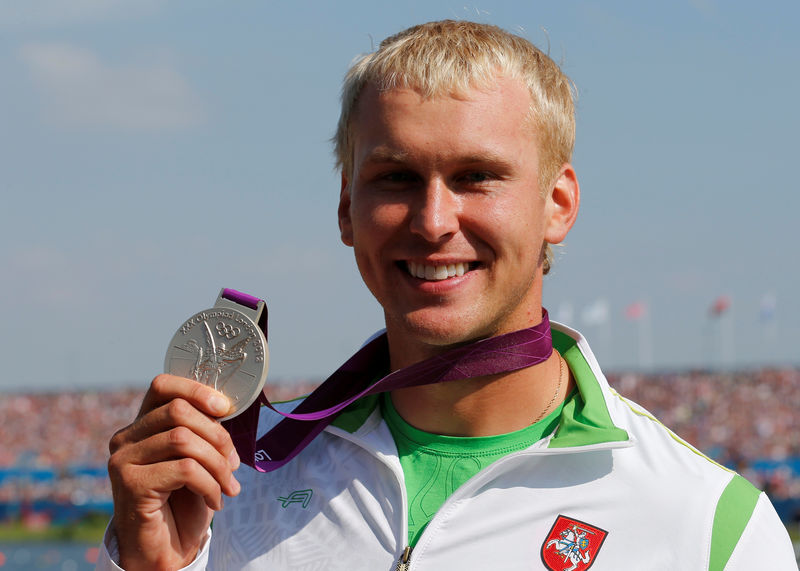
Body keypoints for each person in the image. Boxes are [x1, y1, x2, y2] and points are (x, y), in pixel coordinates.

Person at [98, 20, 797, 570]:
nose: (433, 221)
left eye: (476, 176)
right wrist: (152, 565)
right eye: (396, 178)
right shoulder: (227, 494)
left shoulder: (708, 526)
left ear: (557, 202)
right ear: (347, 208)